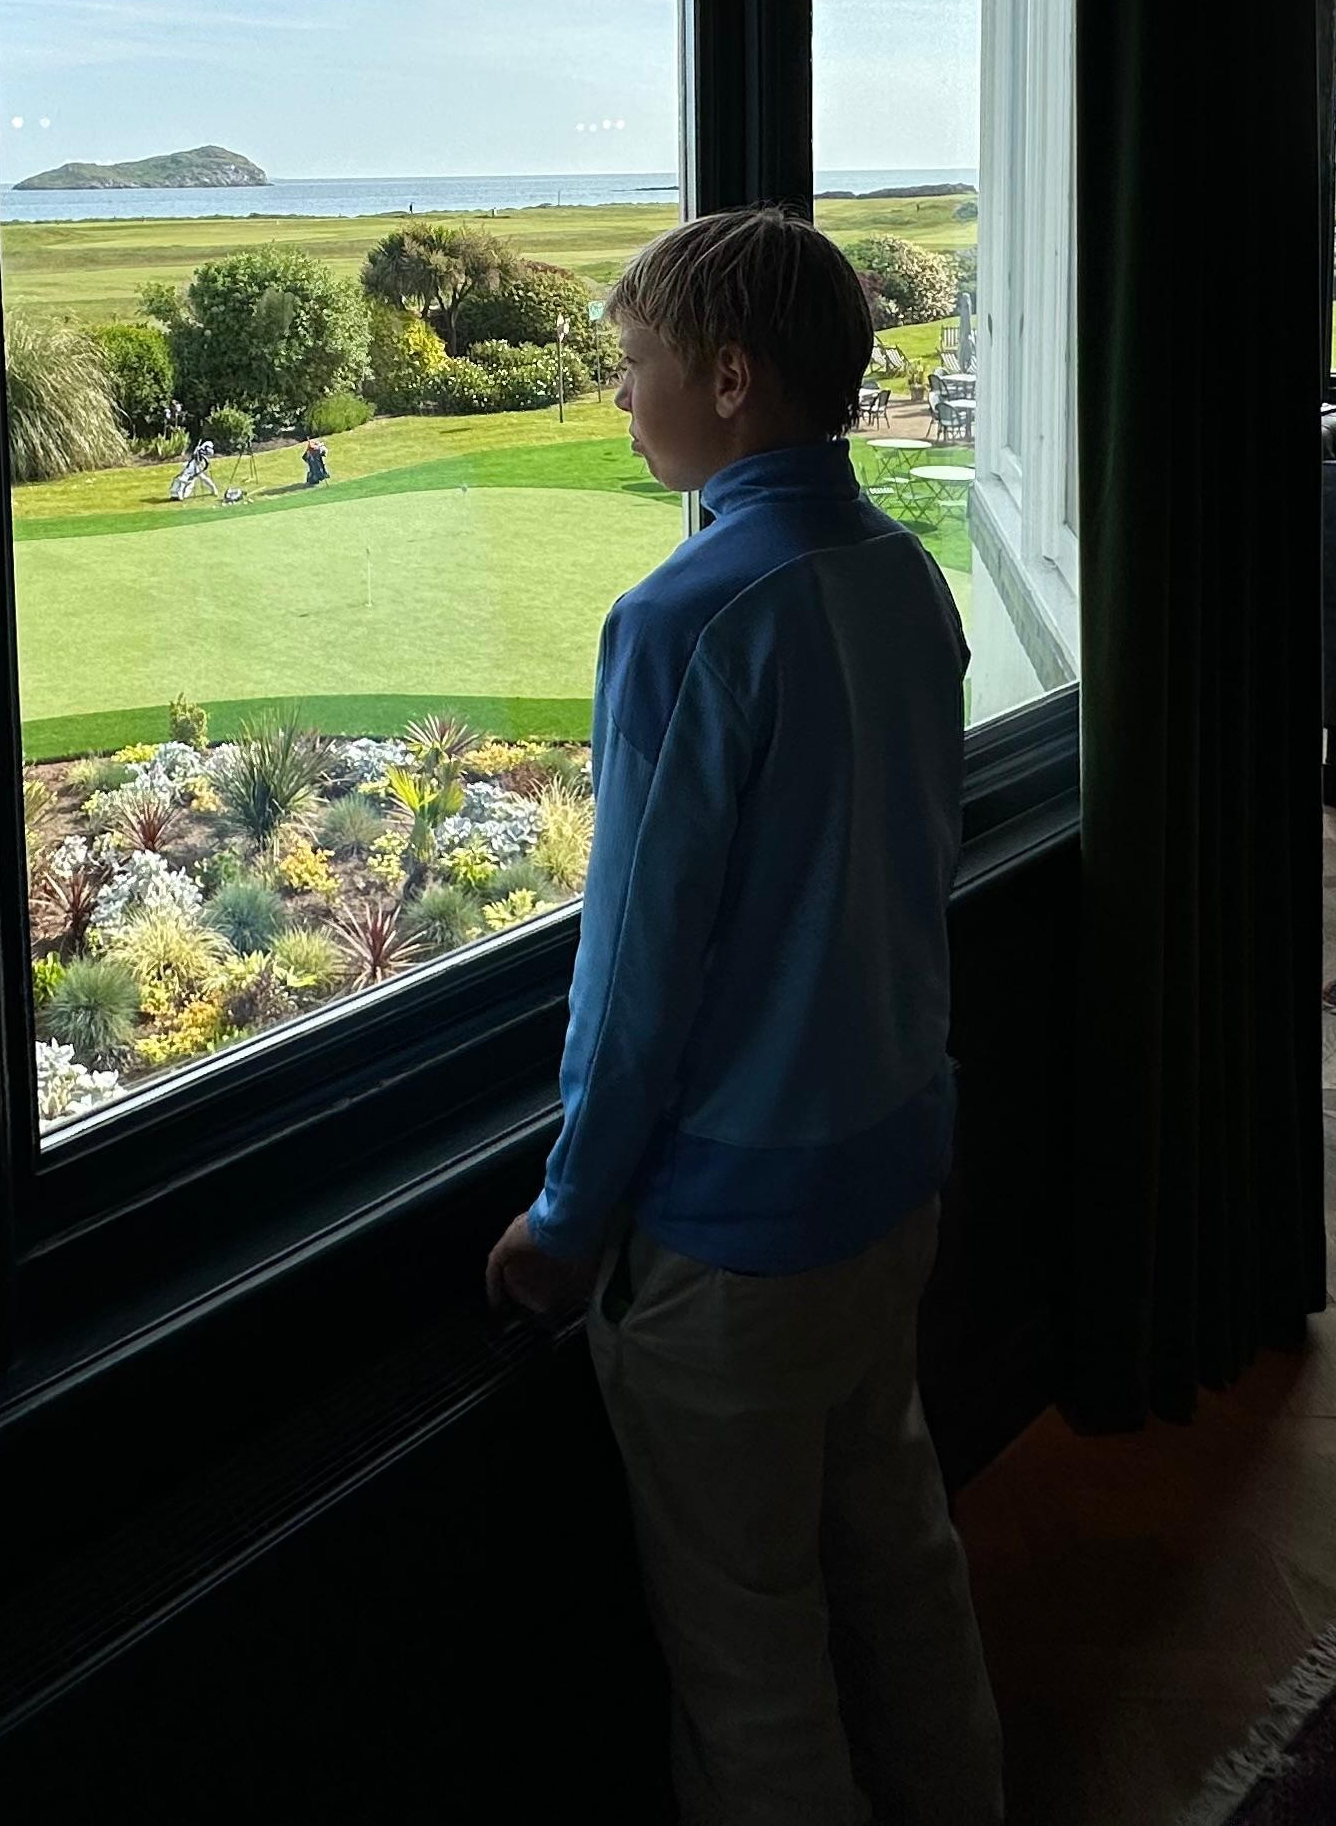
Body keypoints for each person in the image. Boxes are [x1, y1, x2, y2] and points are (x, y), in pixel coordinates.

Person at [483, 206, 1000, 1826]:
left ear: (726, 377)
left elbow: (635, 981)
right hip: (896, 1177)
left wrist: (567, 1218)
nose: (620, 400)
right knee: (904, 1558)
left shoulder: (681, 620)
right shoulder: (904, 574)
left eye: (633, 369)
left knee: (750, 1654)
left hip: (734, 1243)